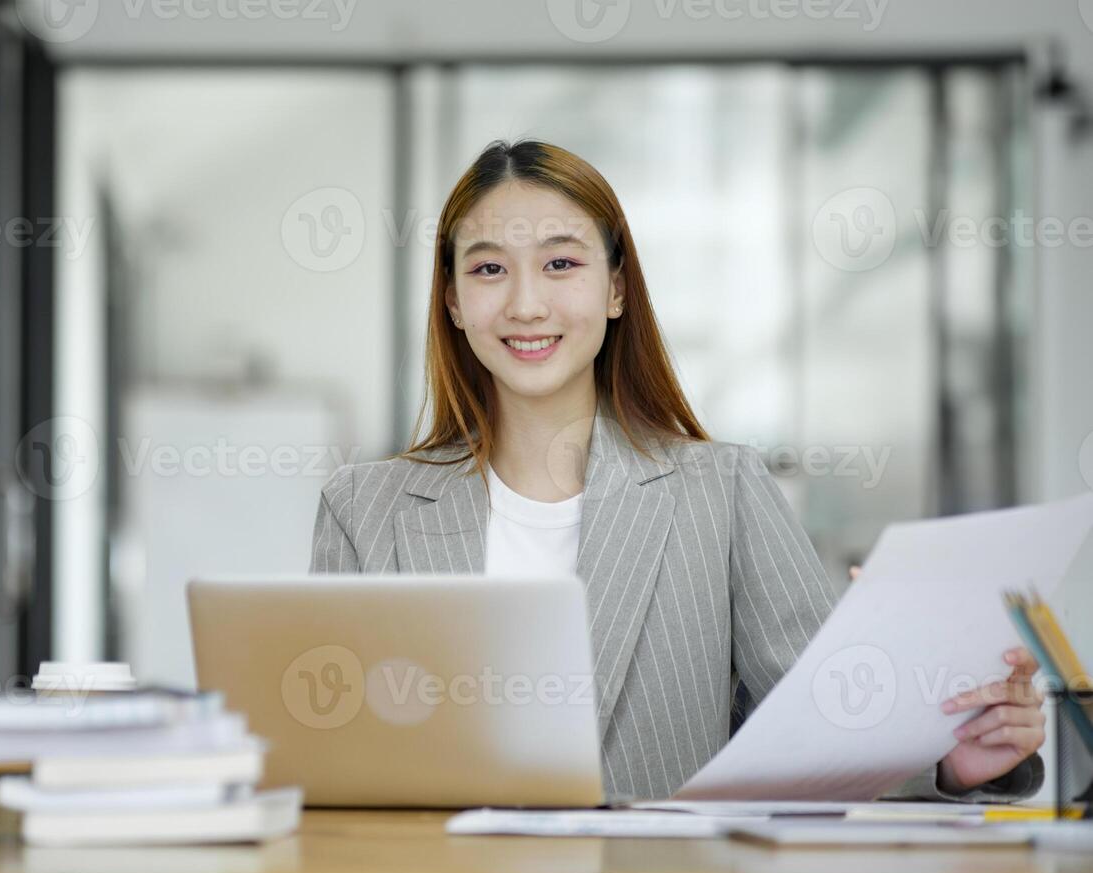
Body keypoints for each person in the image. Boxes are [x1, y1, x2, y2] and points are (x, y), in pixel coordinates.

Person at [308, 138, 1043, 802]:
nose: (526, 304)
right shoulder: (362, 506)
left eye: (561, 263)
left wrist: (952, 761)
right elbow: (324, 747)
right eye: (490, 269)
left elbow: (819, 725)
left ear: (617, 289)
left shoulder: (720, 492)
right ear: (455, 302)